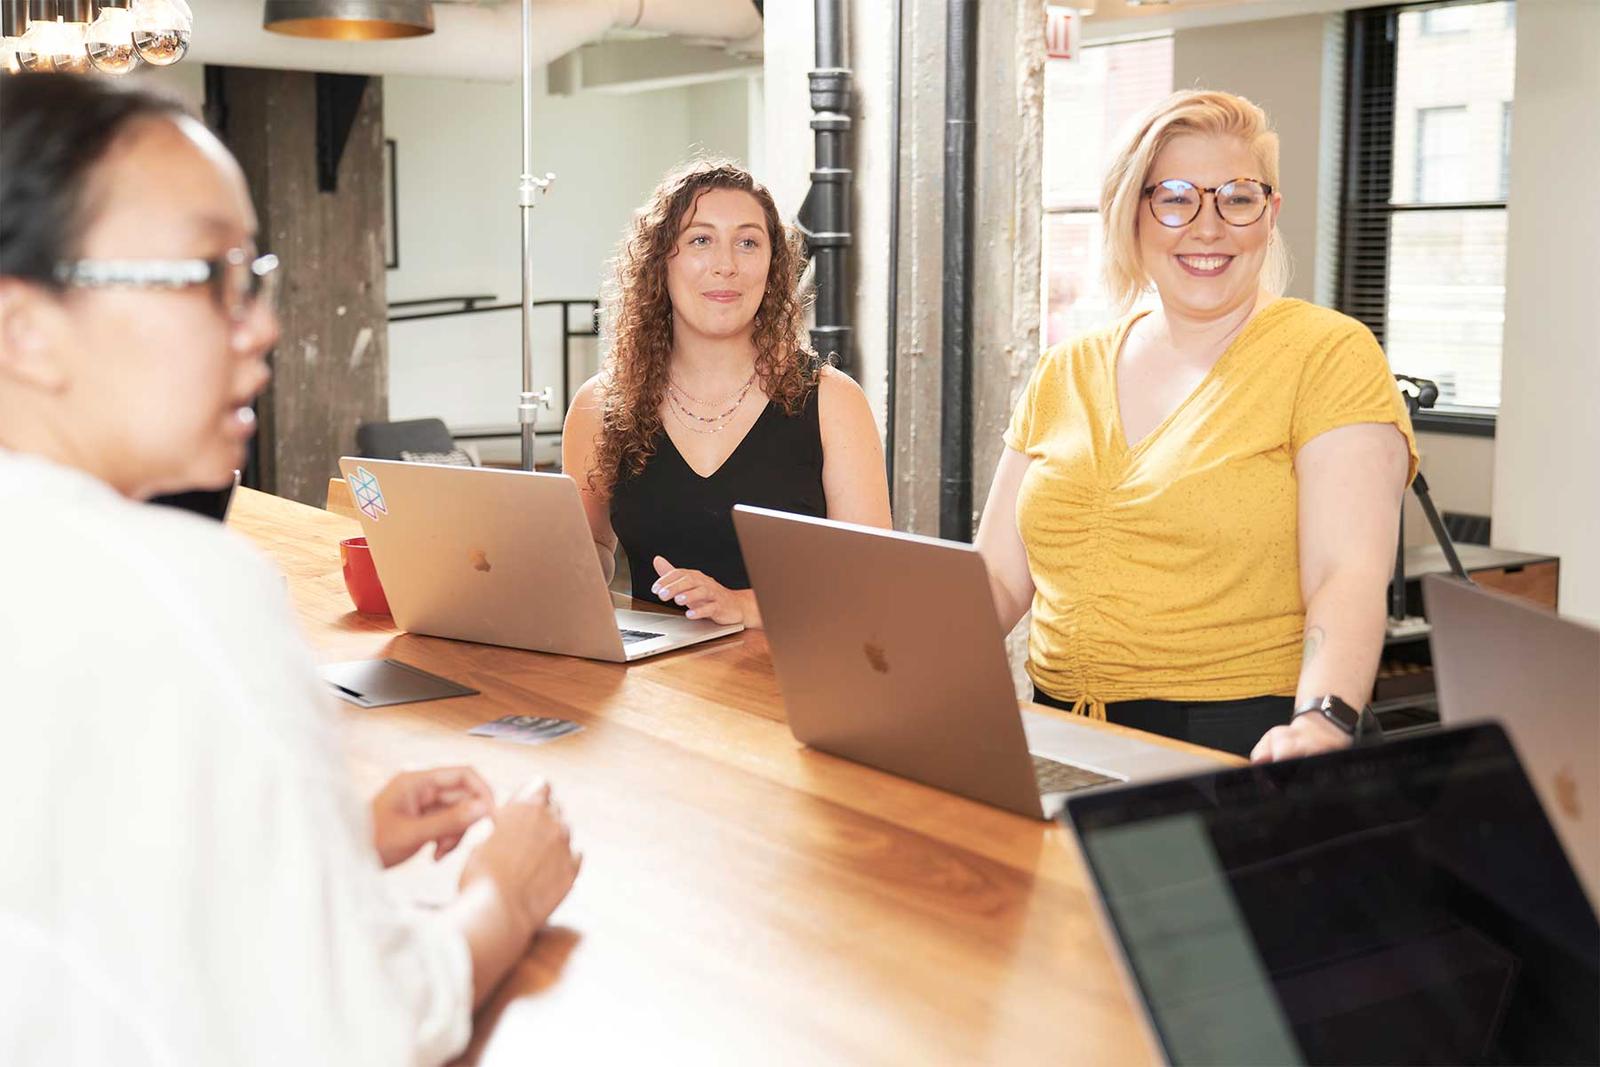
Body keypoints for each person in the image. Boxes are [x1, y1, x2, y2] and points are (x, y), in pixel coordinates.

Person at [0, 75, 579, 1065]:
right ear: (26, 329)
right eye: (208, 274)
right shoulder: (183, 588)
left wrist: (322, 835)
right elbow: (362, 1026)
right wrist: (508, 890)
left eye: (252, 270)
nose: (262, 322)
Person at [975, 90, 1417, 763]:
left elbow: (1345, 571)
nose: (1207, 228)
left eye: (1236, 198)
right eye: (1176, 197)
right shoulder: (1065, 370)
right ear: (1132, 214)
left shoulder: (1326, 353)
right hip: (1062, 735)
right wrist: (890, 663)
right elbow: (1001, 579)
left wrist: (1323, 718)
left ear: (1270, 215)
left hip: (1244, 740)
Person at [562, 160, 891, 629]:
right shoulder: (601, 405)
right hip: (654, 686)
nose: (725, 265)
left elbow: (873, 578)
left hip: (797, 682)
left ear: (772, 266)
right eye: (700, 240)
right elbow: (589, 550)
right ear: (660, 262)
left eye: (748, 242)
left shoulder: (832, 401)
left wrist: (744, 606)